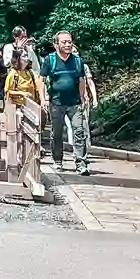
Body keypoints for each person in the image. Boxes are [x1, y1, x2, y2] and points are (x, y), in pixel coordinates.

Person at [42, 30, 93, 175]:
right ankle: (57, 160)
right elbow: (41, 79)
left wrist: (84, 96)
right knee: (57, 133)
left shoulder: (78, 61)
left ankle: (80, 163)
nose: (67, 45)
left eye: (69, 42)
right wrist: (44, 99)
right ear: (56, 44)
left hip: (74, 102)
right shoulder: (49, 60)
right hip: (56, 102)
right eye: (64, 42)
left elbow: (82, 79)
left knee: (79, 131)